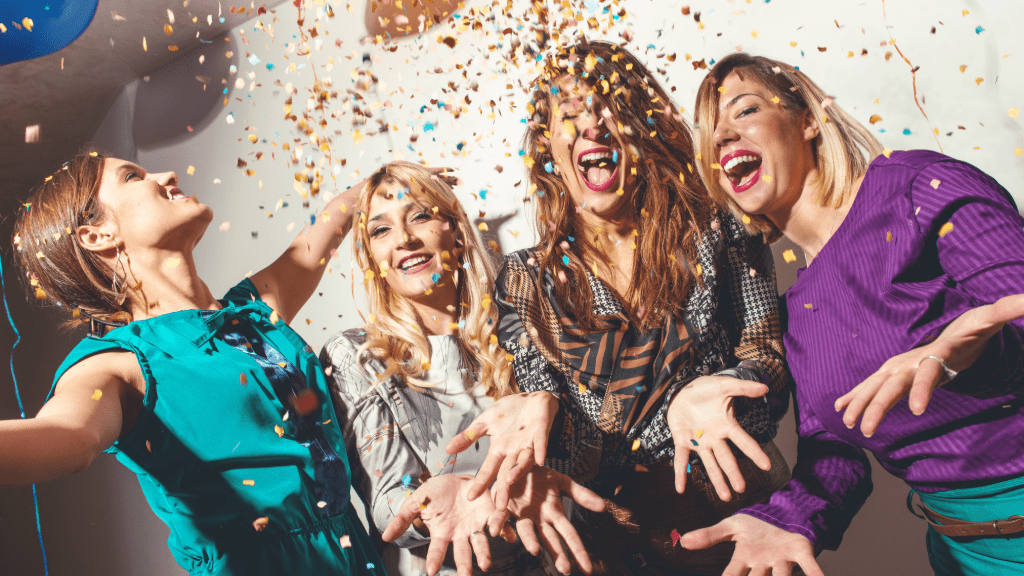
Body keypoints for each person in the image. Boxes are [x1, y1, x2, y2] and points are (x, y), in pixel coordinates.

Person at [450, 39, 793, 575]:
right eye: (571, 115)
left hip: (747, 531)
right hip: (618, 552)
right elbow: (561, 445)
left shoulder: (719, 229)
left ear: (641, 126)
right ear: (548, 148)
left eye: (611, 108)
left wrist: (714, 398)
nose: (593, 125)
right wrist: (539, 406)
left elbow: (769, 364)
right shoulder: (526, 281)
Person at [686, 52, 1024, 576]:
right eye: (710, 132)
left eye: (744, 111)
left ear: (809, 120)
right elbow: (835, 450)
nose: (723, 137)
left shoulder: (919, 189)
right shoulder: (795, 313)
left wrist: (970, 348)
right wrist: (789, 516)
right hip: (965, 555)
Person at [3, 151, 385, 575]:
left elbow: (329, 223)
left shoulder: (257, 310)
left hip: (356, 557)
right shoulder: (118, 364)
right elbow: (69, 434)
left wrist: (391, 181)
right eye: (133, 176)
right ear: (97, 235)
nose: (168, 174)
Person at [320, 163, 605, 576]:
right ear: (372, 259)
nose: (404, 239)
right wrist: (430, 503)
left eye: (419, 215)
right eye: (380, 230)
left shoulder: (524, 322)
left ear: (455, 229)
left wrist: (552, 411)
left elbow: (589, 451)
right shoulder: (356, 356)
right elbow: (385, 502)